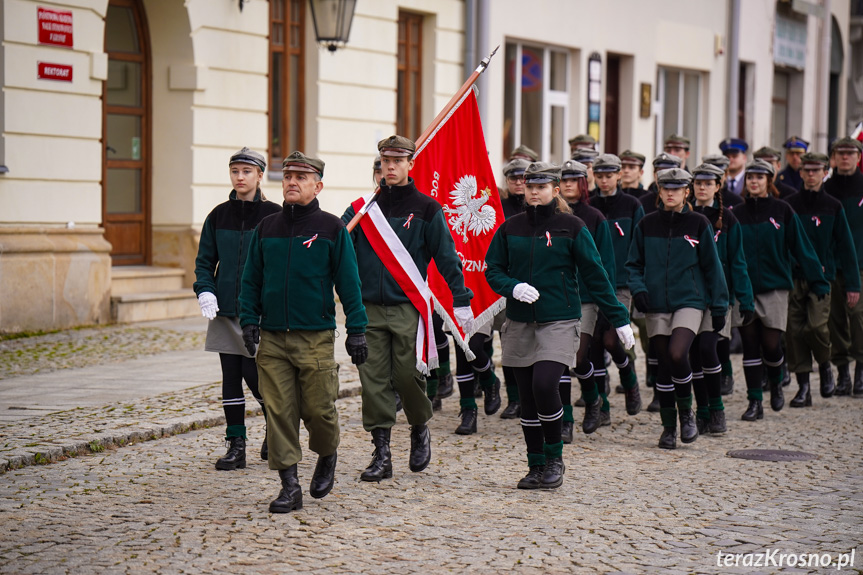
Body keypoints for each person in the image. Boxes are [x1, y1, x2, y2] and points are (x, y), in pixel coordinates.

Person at [486, 161, 634, 489]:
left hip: (560, 320)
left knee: (544, 384)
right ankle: (535, 464)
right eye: (530, 187)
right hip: (520, 320)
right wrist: (512, 287)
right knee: (527, 397)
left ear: (554, 190)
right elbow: (492, 269)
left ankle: (555, 459)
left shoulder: (573, 226)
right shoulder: (510, 227)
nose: (534, 192)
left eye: (542, 187)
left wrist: (619, 318)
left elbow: (596, 275)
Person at [239, 151, 368, 513]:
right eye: (288, 176)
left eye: (301, 177)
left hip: (314, 336)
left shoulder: (331, 229)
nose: (292, 182)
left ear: (318, 185)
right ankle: (289, 486)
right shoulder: (267, 228)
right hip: (274, 337)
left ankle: (327, 453)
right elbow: (251, 279)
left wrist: (357, 329)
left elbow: (349, 284)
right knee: (278, 412)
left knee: (319, 411)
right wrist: (249, 319)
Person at [342, 135, 474, 482]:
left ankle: (419, 425)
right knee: (373, 382)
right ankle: (381, 452)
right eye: (385, 161)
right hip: (367, 308)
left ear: (410, 165)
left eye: (397, 161)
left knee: (406, 377)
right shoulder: (361, 210)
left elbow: (446, 257)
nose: (390, 167)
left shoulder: (428, 208)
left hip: (407, 308)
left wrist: (460, 298)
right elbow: (337, 251)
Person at [626, 168, 729, 449]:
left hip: (690, 301)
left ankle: (687, 414)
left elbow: (712, 266)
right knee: (663, 365)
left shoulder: (698, 223)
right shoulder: (646, 224)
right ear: (659, 191)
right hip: (656, 302)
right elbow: (633, 264)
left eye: (677, 189)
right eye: (665, 188)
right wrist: (639, 290)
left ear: (687, 192)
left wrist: (719, 305)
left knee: (677, 352)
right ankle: (668, 427)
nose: (670, 193)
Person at [194, 147, 282, 471]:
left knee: (255, 374)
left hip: (258, 313)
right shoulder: (217, 216)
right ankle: (236, 444)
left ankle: (276, 426)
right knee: (230, 376)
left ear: (260, 175)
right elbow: (204, 262)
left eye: (247, 171)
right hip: (224, 310)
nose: (240, 177)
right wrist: (205, 289)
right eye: (235, 171)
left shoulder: (274, 215)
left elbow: (278, 265)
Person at [730, 159, 829, 421]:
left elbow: (802, 247)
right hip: (745, 289)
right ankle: (754, 402)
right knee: (750, 345)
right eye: (750, 177)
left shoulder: (782, 210)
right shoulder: (735, 215)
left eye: (759, 177)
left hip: (775, 288)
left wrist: (817, 280)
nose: (754, 181)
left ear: (768, 181)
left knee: (772, 344)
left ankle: (775, 382)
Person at [784, 152, 859, 405]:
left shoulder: (833, 206)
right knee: (794, 331)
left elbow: (846, 248)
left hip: (822, 277)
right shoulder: (790, 204)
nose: (811, 174)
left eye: (816, 170)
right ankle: (803, 386)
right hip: (794, 276)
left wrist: (852, 284)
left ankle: (826, 364)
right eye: (807, 170)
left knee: (817, 326)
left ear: (826, 172)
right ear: (802, 173)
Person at [690, 162, 755, 434]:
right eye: (698, 183)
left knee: (708, 347)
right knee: (692, 355)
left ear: (718, 187)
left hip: (719, 295)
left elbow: (737, 261)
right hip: (690, 295)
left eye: (708, 183)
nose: (702, 187)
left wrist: (746, 299)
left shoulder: (727, 219)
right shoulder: (686, 216)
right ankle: (702, 410)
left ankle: (716, 409)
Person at [557, 159, 618, 442]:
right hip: (557, 297)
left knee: (579, 357)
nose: (568, 184)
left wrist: (609, 306)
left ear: (584, 183)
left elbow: (605, 264)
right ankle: (565, 419)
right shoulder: (551, 215)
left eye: (574, 179)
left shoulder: (595, 218)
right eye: (564, 179)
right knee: (559, 360)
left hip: (587, 299)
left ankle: (593, 397)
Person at [587, 154, 643, 426]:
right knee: (594, 343)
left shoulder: (632, 205)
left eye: (610, 175)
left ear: (619, 175)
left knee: (611, 339)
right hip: (592, 283)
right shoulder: (589, 205)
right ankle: (602, 404)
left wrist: (639, 280)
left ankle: (628, 374)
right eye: (600, 175)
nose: (605, 180)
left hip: (620, 282)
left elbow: (640, 245)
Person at [824, 137, 863, 395]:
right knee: (834, 320)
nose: (846, 158)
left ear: (859, 157)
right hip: (832, 265)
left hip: (861, 264)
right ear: (834, 158)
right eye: (841, 153)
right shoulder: (826, 190)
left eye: (851, 153)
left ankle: (861, 371)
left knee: (858, 318)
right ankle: (843, 373)